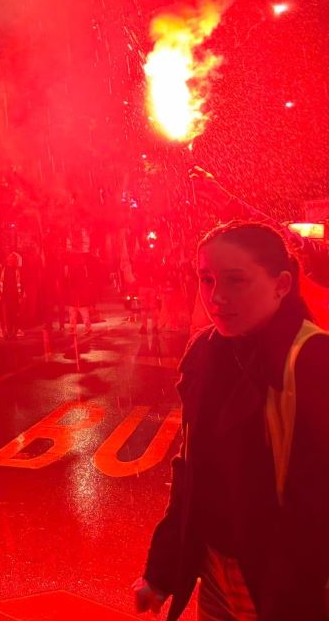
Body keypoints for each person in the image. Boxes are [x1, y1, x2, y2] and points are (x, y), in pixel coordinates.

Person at [136, 222, 329, 620]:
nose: (216, 297)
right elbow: (192, 470)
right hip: (214, 569)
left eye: (236, 281)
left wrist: (289, 591)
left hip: (280, 581)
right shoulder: (206, 351)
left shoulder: (311, 360)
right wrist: (161, 573)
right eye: (206, 280)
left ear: (281, 285)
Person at [0, 252, 24, 339]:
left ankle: (13, 332)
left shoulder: (17, 270)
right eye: (9, 260)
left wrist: (20, 295)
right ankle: (7, 332)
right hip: (5, 296)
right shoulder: (4, 269)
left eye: (12, 260)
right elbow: (0, 282)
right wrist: (0, 293)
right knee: (6, 315)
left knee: (14, 314)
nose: (10, 261)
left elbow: (20, 283)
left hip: (14, 295)